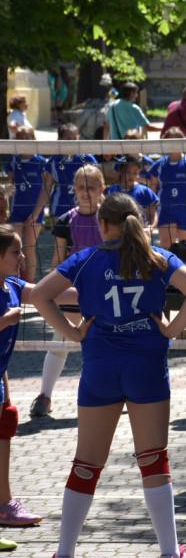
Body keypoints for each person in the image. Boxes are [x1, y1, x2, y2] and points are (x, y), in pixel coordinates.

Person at [32, 192, 186, 558]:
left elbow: (39, 296)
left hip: (101, 368)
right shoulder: (157, 258)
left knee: (86, 464)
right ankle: (169, 552)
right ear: (137, 221)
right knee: (153, 459)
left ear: (102, 224)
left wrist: (73, 332)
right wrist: (173, 329)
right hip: (146, 366)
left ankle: (64, 552)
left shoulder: (86, 259)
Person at [30, 165, 106, 419]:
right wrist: (65, 291)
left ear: (101, 189)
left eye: (91, 187)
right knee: (61, 341)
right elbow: (57, 263)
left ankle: (115, 393)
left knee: (107, 343)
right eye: (81, 187)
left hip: (106, 291)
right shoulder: (65, 221)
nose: (86, 193)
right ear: (74, 190)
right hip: (75, 291)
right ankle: (45, 395)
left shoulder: (109, 218)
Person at [0, 226, 46, 546]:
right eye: (15, 252)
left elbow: (48, 292)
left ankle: (4, 507)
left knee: (6, 425)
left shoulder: (14, 284)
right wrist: (5, 319)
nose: (23, 257)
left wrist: (91, 291)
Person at [42, 124, 98, 260]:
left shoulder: (87, 159)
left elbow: (97, 184)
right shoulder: (54, 161)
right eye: (68, 138)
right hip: (60, 209)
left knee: (83, 246)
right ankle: (62, 278)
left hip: (84, 209)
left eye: (75, 138)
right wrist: (40, 213)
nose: (72, 141)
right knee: (62, 251)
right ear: (60, 139)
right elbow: (46, 188)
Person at [151, 127, 186, 247]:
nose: (173, 145)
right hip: (166, 209)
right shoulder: (160, 165)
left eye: (176, 141)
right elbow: (152, 187)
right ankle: (168, 266)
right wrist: (150, 209)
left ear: (183, 142)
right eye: (169, 142)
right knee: (166, 245)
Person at [6, 128, 47, 282]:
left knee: (29, 248)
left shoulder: (41, 162)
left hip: (35, 211)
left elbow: (46, 189)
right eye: (22, 137)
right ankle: (14, 281)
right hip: (17, 211)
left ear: (34, 139)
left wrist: (36, 212)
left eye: (28, 137)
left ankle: (30, 284)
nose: (25, 140)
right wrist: (8, 190)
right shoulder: (14, 160)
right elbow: (9, 184)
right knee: (15, 247)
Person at [105, 156, 160, 231]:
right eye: (128, 172)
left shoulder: (144, 191)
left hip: (139, 232)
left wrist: (151, 227)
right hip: (118, 233)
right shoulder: (112, 190)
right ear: (120, 172)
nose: (131, 175)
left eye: (135, 172)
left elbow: (153, 214)